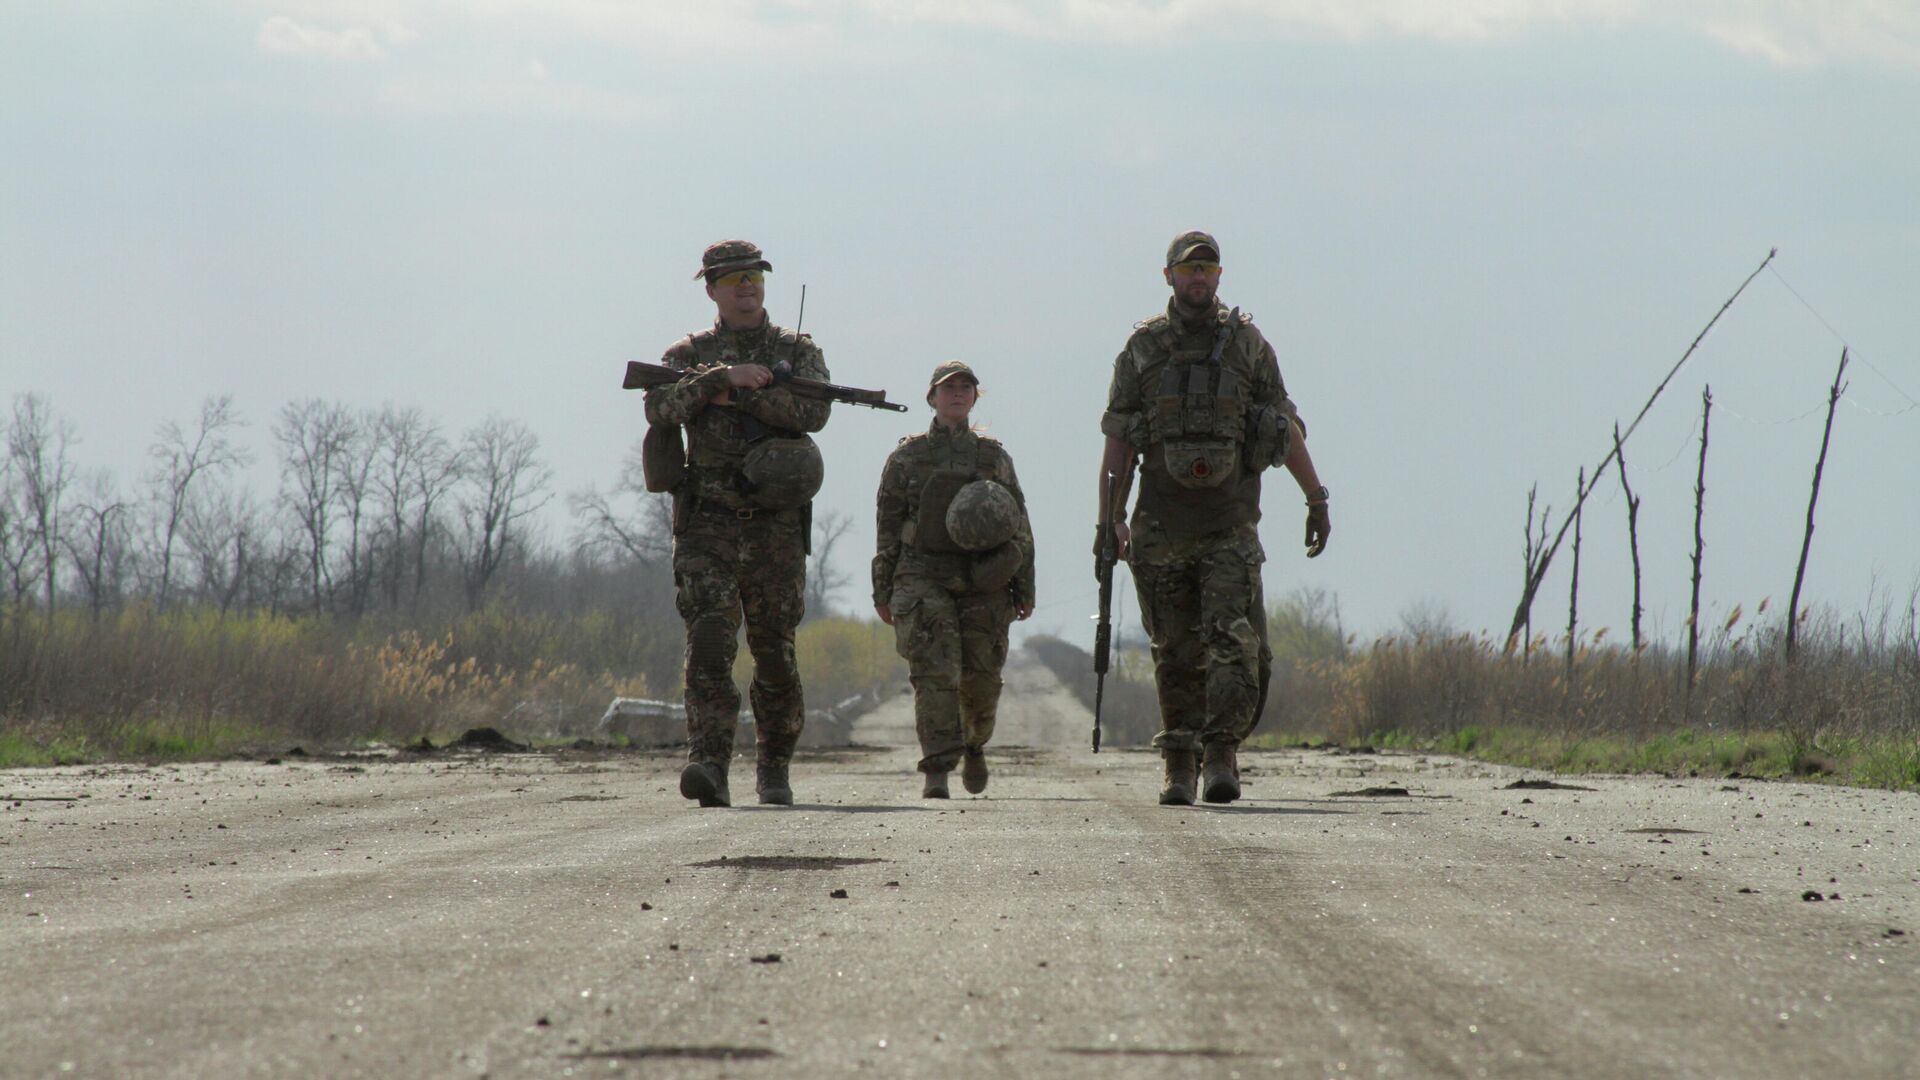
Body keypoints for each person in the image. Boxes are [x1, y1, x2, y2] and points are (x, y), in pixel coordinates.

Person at [1096, 230, 1331, 806]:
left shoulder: (1248, 345)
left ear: (1219, 276)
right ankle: (1178, 765)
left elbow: (1284, 428)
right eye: (1188, 269)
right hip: (1159, 527)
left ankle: (1222, 756)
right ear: (1169, 275)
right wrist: (1110, 520)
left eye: (1207, 268)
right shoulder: (1141, 351)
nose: (1198, 277)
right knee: (1173, 648)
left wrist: (1316, 498)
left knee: (1233, 642)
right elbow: (1119, 444)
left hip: (1230, 525)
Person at [643, 240, 831, 808]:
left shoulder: (796, 351)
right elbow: (658, 408)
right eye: (732, 278)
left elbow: (816, 411)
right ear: (711, 289)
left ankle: (774, 769)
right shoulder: (688, 352)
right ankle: (709, 764)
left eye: (753, 275)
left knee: (775, 652)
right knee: (708, 645)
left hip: (774, 525)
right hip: (707, 523)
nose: (746, 285)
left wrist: (752, 396)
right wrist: (718, 381)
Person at [873, 361, 1036, 798]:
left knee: (981, 680)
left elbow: (1018, 522)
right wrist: (883, 589)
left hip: (983, 579)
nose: (958, 394)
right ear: (932, 397)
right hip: (922, 574)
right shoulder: (907, 457)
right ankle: (938, 769)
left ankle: (975, 744)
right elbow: (887, 526)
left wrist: (1024, 585)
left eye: (966, 387)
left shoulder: (992, 456)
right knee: (933, 673)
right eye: (949, 388)